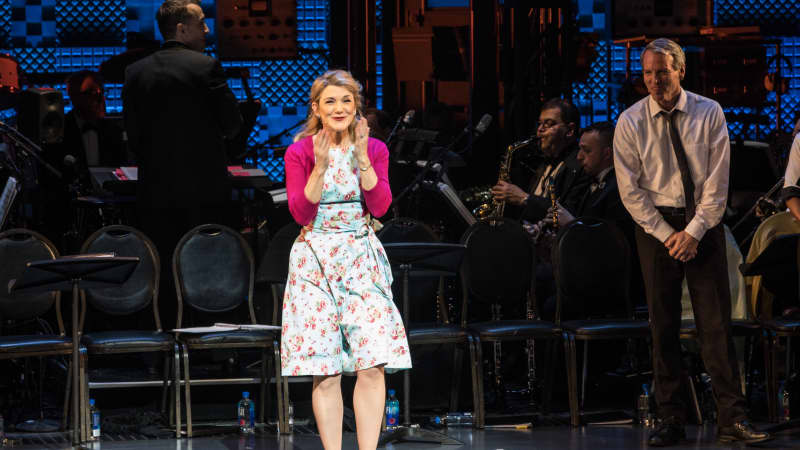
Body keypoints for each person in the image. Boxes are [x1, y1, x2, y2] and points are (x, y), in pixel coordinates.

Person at [614, 38, 770, 446]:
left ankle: (731, 419)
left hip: (703, 221)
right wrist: (670, 237)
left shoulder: (709, 112)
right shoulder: (630, 121)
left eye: (662, 72)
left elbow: (717, 188)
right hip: (656, 227)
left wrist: (695, 232)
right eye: (648, 73)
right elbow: (631, 193)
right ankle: (671, 419)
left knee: (715, 325)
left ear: (680, 70)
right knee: (662, 325)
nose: (654, 81)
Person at [281, 69, 411, 450]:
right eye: (330, 101)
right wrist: (320, 167)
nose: (339, 108)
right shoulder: (300, 151)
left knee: (372, 362)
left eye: (346, 100)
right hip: (314, 260)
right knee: (326, 369)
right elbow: (301, 214)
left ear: (357, 107)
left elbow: (382, 204)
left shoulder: (375, 148)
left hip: (360, 257)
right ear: (316, 108)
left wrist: (362, 158)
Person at [123, 0, 243, 327]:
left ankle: (163, 340)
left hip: (154, 194)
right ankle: (208, 343)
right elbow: (232, 124)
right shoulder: (205, 67)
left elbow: (132, 138)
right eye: (202, 23)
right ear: (181, 28)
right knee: (205, 266)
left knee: (160, 267)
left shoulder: (135, 73)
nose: (207, 30)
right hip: (204, 192)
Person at [491, 98, 588, 223]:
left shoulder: (580, 165)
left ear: (570, 131)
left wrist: (524, 198)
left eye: (548, 124)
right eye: (540, 124)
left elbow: (567, 212)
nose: (540, 130)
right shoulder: (544, 163)